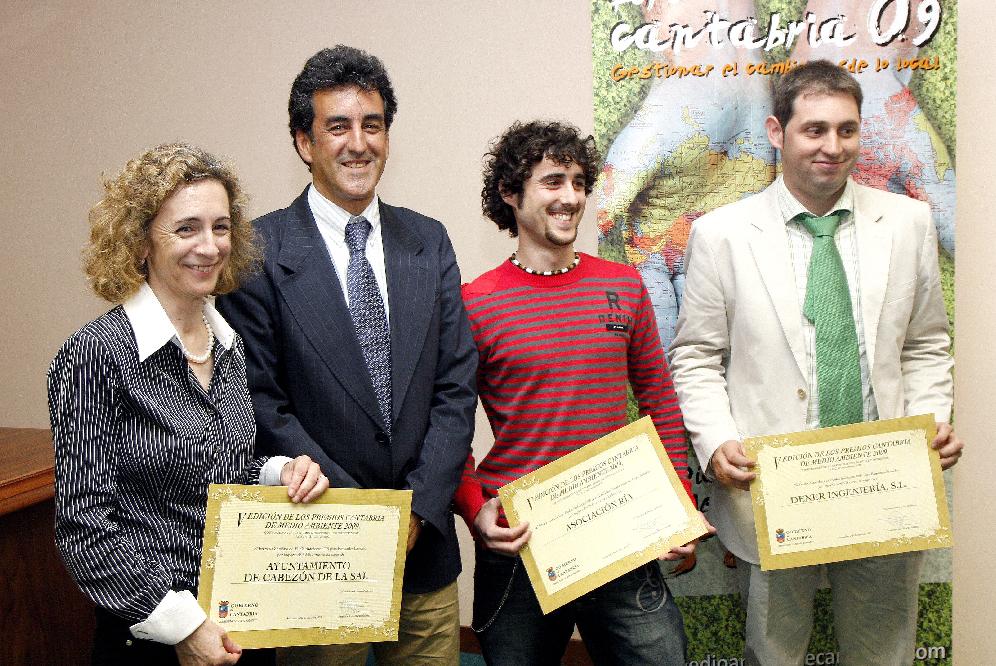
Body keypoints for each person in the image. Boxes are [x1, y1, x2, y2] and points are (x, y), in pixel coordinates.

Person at [668, 60, 963, 666]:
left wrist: (928, 419)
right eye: (815, 130)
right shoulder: (722, 234)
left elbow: (927, 343)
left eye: (847, 130)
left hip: (887, 482)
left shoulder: (907, 223)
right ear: (777, 132)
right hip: (776, 491)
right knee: (774, 653)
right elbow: (696, 356)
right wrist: (717, 440)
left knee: (884, 652)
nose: (834, 147)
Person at [216, 46, 477, 665]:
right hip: (321, 546)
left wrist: (413, 511)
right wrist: (363, 519)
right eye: (338, 127)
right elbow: (262, 404)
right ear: (304, 143)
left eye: (373, 125)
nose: (358, 143)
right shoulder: (258, 251)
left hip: (424, 547)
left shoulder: (428, 239)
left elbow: (455, 387)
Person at [47, 143, 329, 666]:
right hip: (155, 640)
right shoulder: (95, 354)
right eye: (186, 228)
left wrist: (281, 470)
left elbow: (222, 465)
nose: (210, 246)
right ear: (141, 240)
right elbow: (84, 525)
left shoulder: (227, 343)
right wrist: (182, 625)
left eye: (221, 227)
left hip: (240, 625)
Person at [453, 120, 707, 666]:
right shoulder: (475, 303)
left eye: (577, 182)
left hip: (620, 529)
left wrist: (680, 503)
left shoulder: (623, 286)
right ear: (509, 194)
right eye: (551, 182)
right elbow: (445, 427)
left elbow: (659, 402)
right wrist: (475, 507)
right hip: (520, 542)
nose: (570, 198)